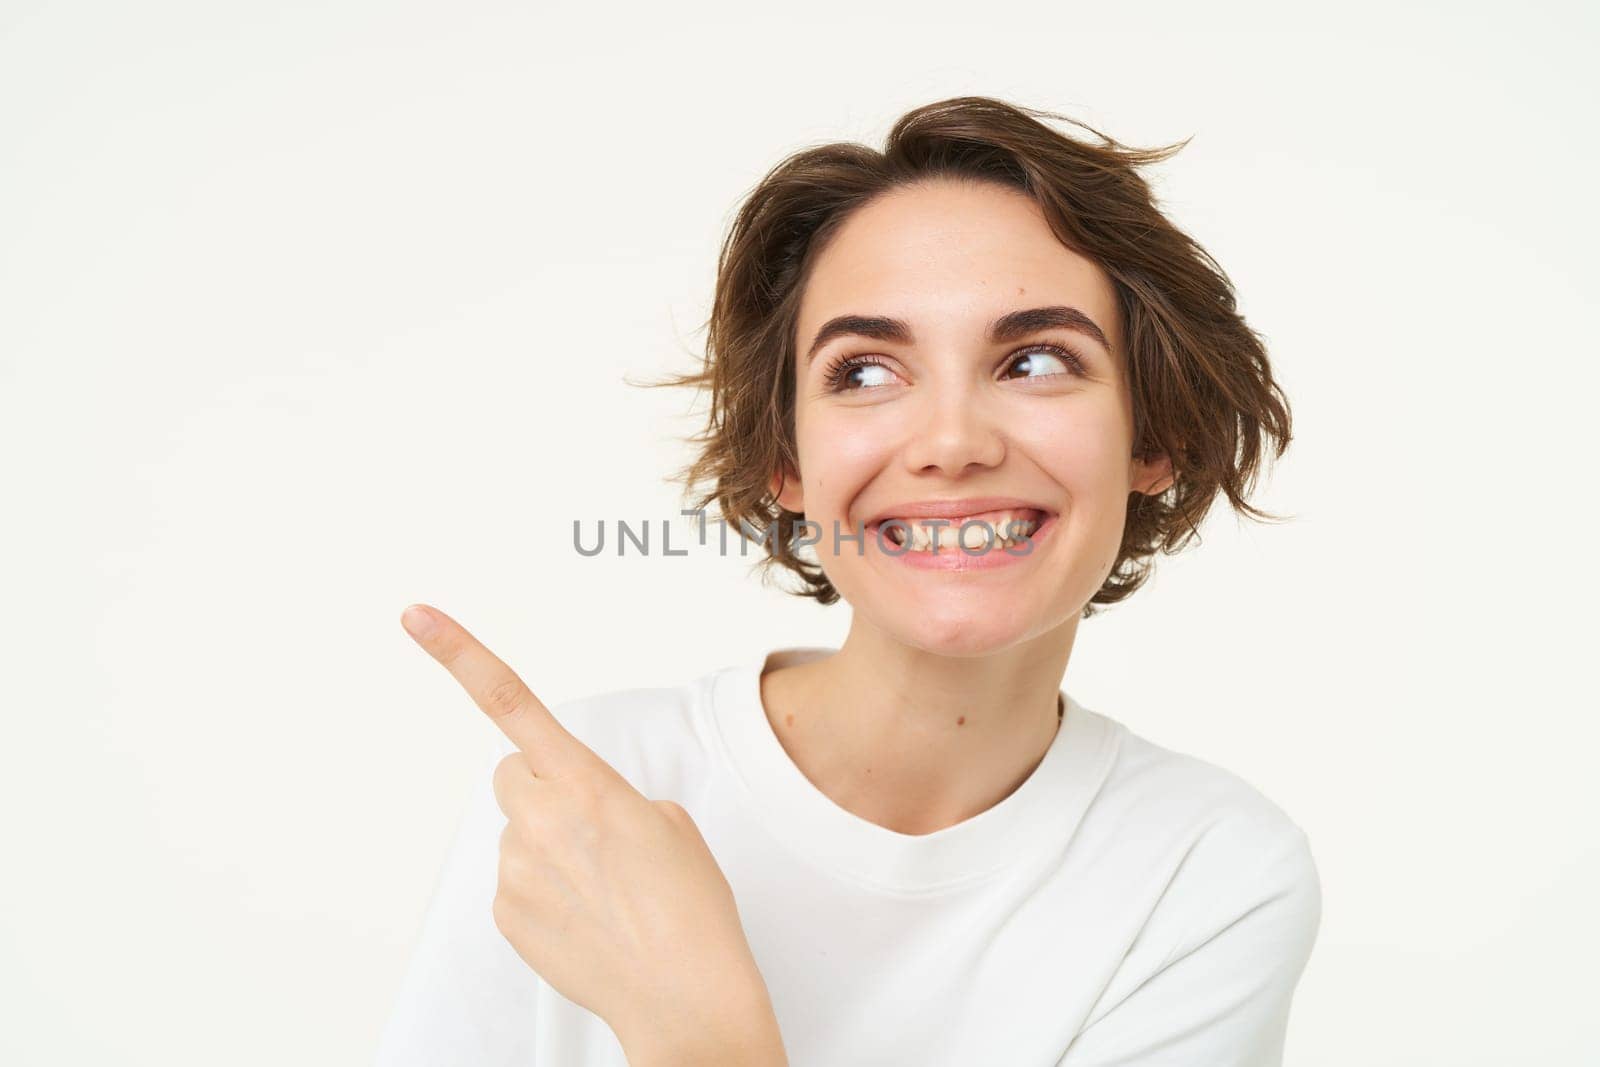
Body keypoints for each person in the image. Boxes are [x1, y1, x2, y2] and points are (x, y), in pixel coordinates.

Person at [376, 96, 1321, 1066]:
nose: (952, 442)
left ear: (1152, 432)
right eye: (865, 372)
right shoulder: (582, 800)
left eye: (1034, 360)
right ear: (785, 460)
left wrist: (692, 1023)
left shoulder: (1208, 872)